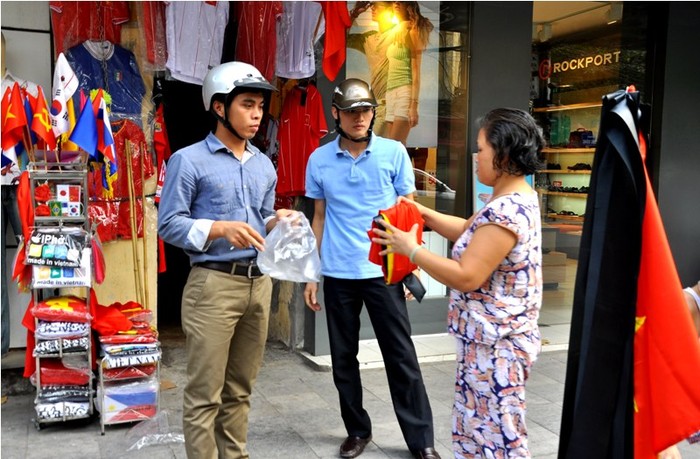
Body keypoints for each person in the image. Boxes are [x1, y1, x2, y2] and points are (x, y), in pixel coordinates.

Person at [372, 107, 544, 458]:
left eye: (482, 148)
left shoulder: (506, 211)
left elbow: (468, 276)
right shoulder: (510, 199)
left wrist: (412, 250)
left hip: (497, 349)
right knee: (482, 430)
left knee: (496, 439)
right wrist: (424, 214)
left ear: (504, 154)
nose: (477, 156)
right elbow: (470, 230)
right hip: (489, 344)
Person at [157, 61, 296, 459]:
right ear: (219, 107)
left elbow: (260, 217)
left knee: (241, 389)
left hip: (259, 283)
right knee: (205, 394)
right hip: (212, 285)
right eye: (247, 104)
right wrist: (218, 228)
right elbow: (168, 225)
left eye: (260, 106)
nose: (257, 114)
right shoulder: (189, 160)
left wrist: (277, 220)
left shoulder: (263, 164)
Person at [304, 78, 441, 459]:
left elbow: (409, 214)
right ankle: (357, 430)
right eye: (351, 112)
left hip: (382, 272)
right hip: (338, 272)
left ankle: (421, 440)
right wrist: (311, 274)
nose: (359, 118)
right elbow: (319, 217)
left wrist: (411, 267)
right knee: (343, 357)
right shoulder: (319, 159)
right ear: (336, 114)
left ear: (373, 112)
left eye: (365, 110)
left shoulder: (394, 152)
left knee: (401, 356)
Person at [384, 1, 433, 146]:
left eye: (401, 1)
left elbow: (416, 70)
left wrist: (414, 105)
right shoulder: (396, 31)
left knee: (395, 146)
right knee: (394, 147)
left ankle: (405, 169)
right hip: (390, 91)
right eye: (394, 1)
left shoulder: (413, 31)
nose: (397, 3)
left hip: (404, 91)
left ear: (409, 6)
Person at [347, 1, 395, 136]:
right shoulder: (369, 38)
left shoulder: (398, 34)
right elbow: (343, 39)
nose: (373, 8)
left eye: (378, 5)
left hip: (389, 104)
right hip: (375, 104)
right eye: (372, 5)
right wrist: (354, 13)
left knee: (373, 150)